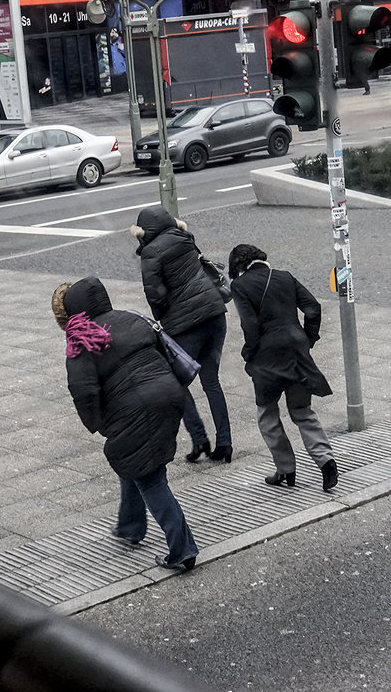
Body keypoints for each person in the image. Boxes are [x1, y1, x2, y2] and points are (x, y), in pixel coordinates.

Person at [52, 277, 198, 572]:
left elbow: (84, 391)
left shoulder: (82, 340)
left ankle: (182, 550)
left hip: (136, 405)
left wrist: (99, 424)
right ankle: (130, 526)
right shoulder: (131, 317)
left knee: (150, 478)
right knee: (134, 460)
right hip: (171, 394)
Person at [228, 244, 339, 492]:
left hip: (267, 359)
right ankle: (326, 461)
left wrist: (249, 352)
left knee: (267, 414)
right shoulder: (285, 276)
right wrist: (307, 339)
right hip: (297, 352)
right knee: (302, 410)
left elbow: (250, 325)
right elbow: (313, 308)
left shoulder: (240, 286)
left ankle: (286, 469)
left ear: (238, 267)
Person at [130, 206, 233, 463]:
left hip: (187, 324)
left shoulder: (151, 253)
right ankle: (225, 444)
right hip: (215, 313)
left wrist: (162, 317)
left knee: (176, 383)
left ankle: (199, 439)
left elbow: (155, 295)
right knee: (211, 381)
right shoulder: (185, 238)